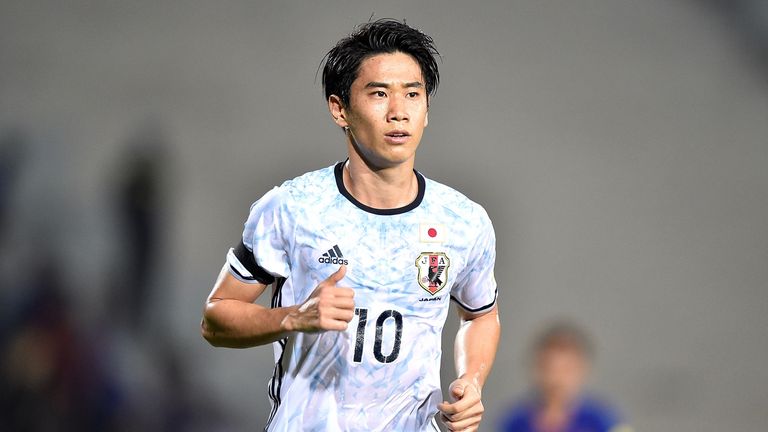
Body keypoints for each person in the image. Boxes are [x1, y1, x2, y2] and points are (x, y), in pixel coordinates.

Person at [201, 19, 500, 432]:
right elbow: (215, 319)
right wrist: (292, 317)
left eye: (412, 94)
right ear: (340, 109)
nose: (399, 112)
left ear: (426, 108)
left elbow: (480, 315)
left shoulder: (464, 221)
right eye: (379, 94)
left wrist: (472, 380)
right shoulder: (293, 208)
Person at [497, 322, 632, 432]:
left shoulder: (603, 421)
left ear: (583, 370)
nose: (557, 379)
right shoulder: (514, 422)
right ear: (535, 369)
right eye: (549, 369)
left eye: (567, 370)